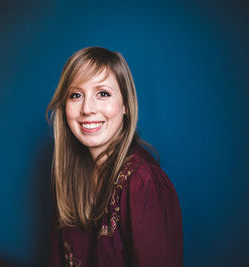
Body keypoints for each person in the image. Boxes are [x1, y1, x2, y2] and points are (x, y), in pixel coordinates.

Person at [46, 47, 183, 267]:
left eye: (103, 93)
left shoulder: (143, 182)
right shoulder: (68, 176)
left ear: (126, 105)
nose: (87, 108)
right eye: (76, 95)